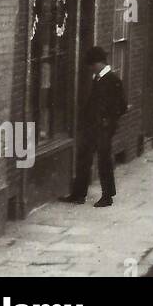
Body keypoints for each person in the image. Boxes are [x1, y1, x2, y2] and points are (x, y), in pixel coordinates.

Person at [63, 46, 128, 207]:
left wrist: (108, 121)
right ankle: (79, 194)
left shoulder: (113, 80)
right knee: (83, 158)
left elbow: (122, 106)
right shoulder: (97, 78)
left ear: (98, 63)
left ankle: (108, 196)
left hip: (104, 129)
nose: (90, 68)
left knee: (104, 161)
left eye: (92, 65)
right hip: (92, 127)